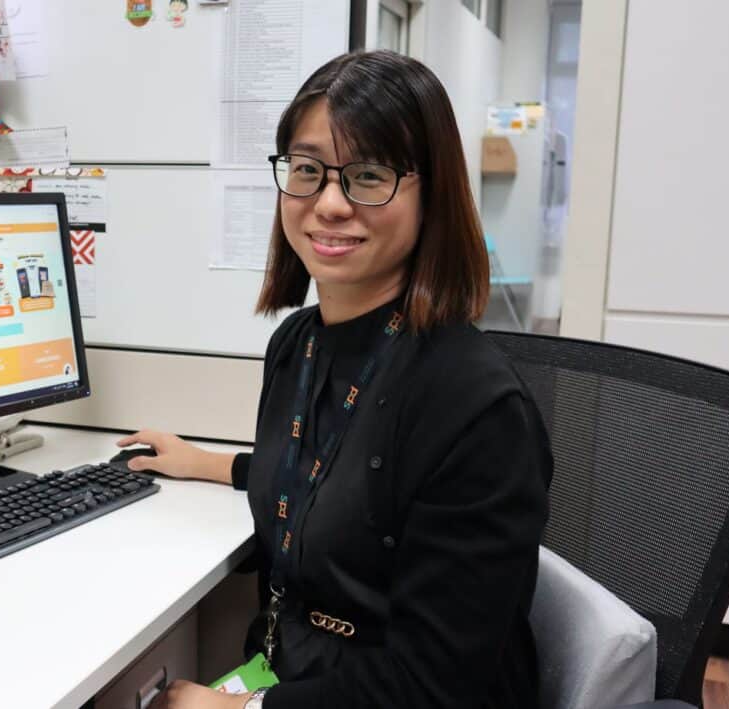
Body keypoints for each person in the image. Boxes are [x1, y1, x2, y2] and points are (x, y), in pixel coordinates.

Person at [126, 51, 552, 708]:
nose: (328, 203)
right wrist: (204, 462)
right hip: (290, 668)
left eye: (367, 174)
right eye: (307, 171)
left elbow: (435, 685)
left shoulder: (475, 405)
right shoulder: (297, 346)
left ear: (430, 194)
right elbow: (322, 472)